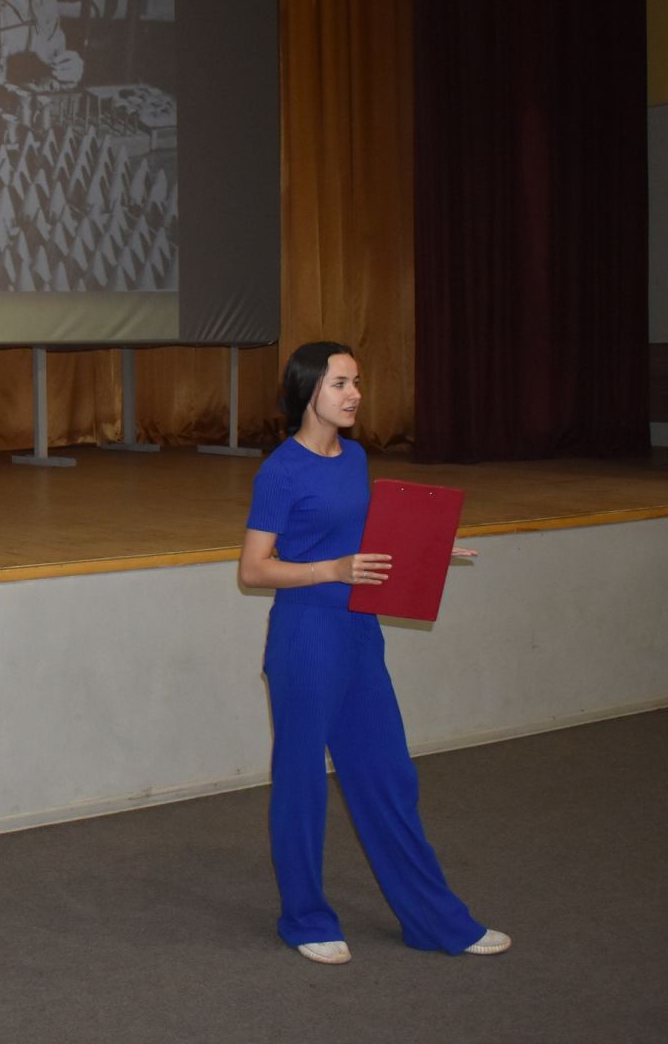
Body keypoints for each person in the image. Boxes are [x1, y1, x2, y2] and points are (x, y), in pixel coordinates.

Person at [238, 341, 511, 966]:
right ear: (309, 391)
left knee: (388, 776)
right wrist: (330, 569)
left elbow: (365, 543)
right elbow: (254, 570)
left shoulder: (356, 455)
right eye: (340, 383)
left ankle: (435, 920)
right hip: (305, 637)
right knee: (303, 782)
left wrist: (425, 550)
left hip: (360, 633)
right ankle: (305, 919)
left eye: (357, 380)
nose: (353, 393)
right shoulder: (281, 470)